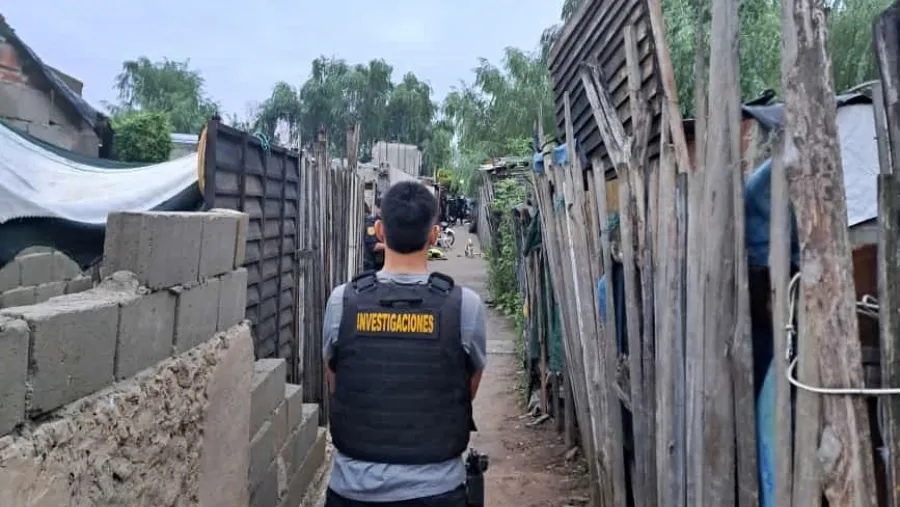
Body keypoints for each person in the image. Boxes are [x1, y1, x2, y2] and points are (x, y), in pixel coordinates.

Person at [323, 181, 488, 507]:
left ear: (380, 231)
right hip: (438, 493)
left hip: (351, 491)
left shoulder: (342, 302)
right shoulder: (465, 306)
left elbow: (336, 384)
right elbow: (465, 390)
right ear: (434, 235)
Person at [363, 201, 385, 271]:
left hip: (382, 264)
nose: (381, 210)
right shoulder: (371, 222)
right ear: (376, 208)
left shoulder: (388, 222)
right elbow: (373, 246)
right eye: (379, 207)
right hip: (370, 264)